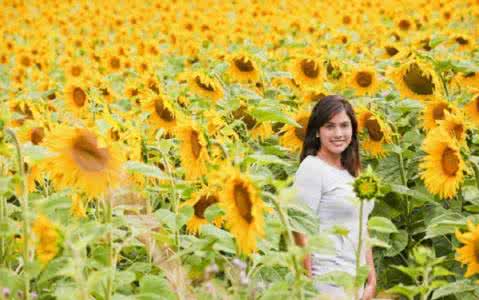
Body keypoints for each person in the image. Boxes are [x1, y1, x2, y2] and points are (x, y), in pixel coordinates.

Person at [292, 95, 376, 300]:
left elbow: (362, 225)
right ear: (317, 132)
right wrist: (308, 286)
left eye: (344, 125)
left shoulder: (353, 171)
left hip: (357, 282)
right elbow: (298, 228)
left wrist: (372, 279)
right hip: (327, 283)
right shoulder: (312, 168)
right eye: (330, 126)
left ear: (353, 130)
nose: (338, 133)